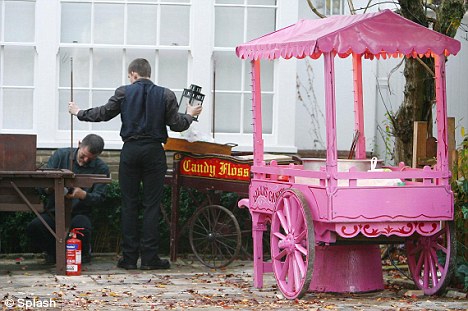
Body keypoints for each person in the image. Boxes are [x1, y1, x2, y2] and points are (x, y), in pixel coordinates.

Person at [68, 58, 202, 270]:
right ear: (148, 73)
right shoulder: (166, 94)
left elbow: (103, 113)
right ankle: (149, 259)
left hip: (130, 151)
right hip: (154, 152)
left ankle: (129, 259)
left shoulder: (124, 92)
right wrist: (190, 115)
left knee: (129, 204)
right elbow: (176, 124)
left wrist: (79, 113)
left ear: (133, 74)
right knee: (151, 205)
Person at [27, 134, 110, 264]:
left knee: (81, 227)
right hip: (54, 211)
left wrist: (83, 195)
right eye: (83, 156)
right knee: (35, 227)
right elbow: (41, 184)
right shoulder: (60, 156)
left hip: (80, 213)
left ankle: (83, 254)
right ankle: (53, 253)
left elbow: (101, 198)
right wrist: (50, 188)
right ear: (79, 144)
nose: (85, 160)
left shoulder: (102, 168)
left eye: (90, 159)